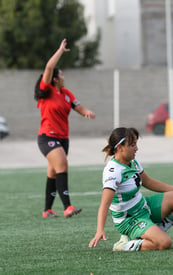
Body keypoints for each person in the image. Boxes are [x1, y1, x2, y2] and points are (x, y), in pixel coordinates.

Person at [89, 127, 173, 251]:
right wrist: (100, 230)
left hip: (144, 207)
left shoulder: (133, 161)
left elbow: (148, 181)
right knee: (164, 243)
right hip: (129, 220)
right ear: (120, 148)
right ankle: (123, 245)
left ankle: (156, 231)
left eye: (136, 144)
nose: (136, 148)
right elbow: (104, 204)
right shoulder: (113, 172)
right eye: (132, 145)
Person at [35, 39, 96, 218]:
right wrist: (60, 50)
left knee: (53, 173)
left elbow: (78, 107)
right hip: (47, 137)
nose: (64, 77)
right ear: (54, 79)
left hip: (63, 138)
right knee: (62, 165)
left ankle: (47, 210)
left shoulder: (67, 94)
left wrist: (87, 113)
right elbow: (48, 67)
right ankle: (67, 207)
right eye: (61, 75)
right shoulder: (47, 91)